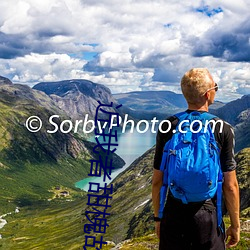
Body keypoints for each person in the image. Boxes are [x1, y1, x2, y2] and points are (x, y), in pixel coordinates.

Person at [152, 68, 240, 250]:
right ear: (208, 94)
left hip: (174, 212)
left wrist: (158, 218)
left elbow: (157, 181)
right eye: (216, 87)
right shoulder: (222, 129)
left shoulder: (168, 125)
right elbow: (230, 185)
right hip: (207, 215)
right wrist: (235, 225)